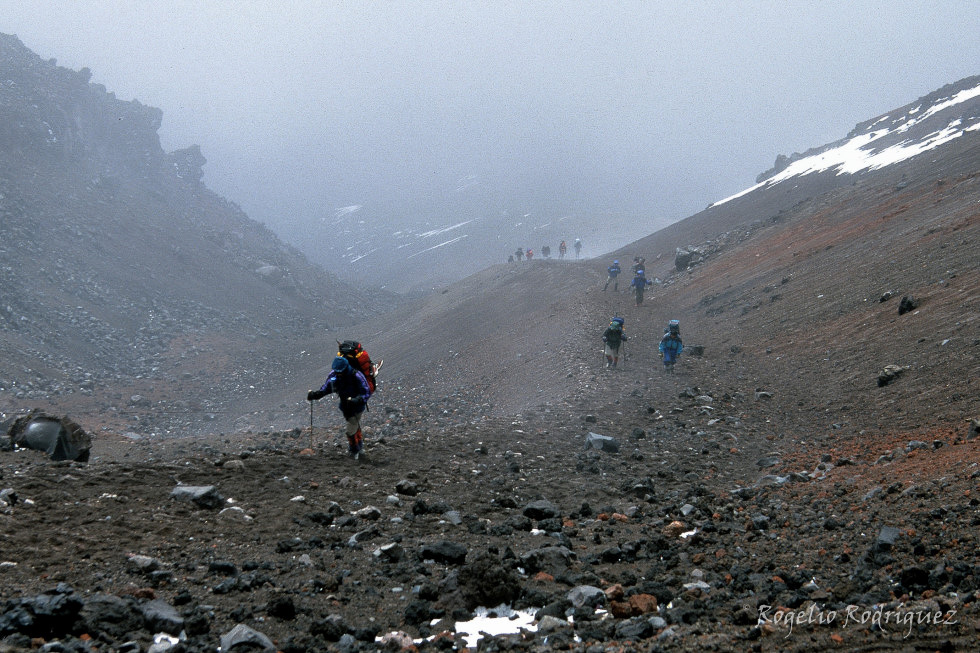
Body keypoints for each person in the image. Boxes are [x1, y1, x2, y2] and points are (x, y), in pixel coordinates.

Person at [307, 356, 372, 458]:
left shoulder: (356, 375)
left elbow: (366, 391)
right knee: (354, 425)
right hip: (345, 407)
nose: (338, 373)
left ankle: (355, 451)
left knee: (350, 430)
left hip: (357, 407)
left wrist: (357, 400)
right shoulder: (335, 375)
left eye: (340, 371)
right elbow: (326, 388)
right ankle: (359, 449)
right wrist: (316, 395)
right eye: (337, 371)